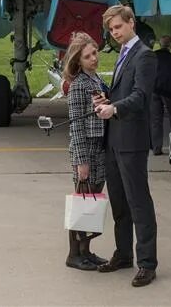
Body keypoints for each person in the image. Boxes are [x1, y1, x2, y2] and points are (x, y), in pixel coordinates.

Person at [92, 5, 158, 287]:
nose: (115, 33)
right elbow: (123, 91)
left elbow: (141, 97)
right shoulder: (124, 53)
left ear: (131, 23)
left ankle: (147, 263)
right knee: (119, 202)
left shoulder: (145, 56)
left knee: (138, 202)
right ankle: (122, 254)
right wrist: (106, 99)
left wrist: (114, 109)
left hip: (131, 141)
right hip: (114, 139)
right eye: (111, 30)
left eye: (118, 27)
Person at [62, 33, 109, 271]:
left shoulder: (96, 80)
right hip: (86, 152)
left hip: (99, 151)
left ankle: (86, 251)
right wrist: (81, 162)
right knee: (81, 204)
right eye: (88, 56)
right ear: (78, 61)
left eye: (95, 53)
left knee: (92, 204)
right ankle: (74, 254)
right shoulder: (79, 85)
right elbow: (76, 125)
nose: (94, 58)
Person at [150, 35, 171, 156]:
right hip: (169, 93)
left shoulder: (152, 57)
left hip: (153, 91)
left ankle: (156, 148)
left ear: (160, 44)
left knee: (155, 120)